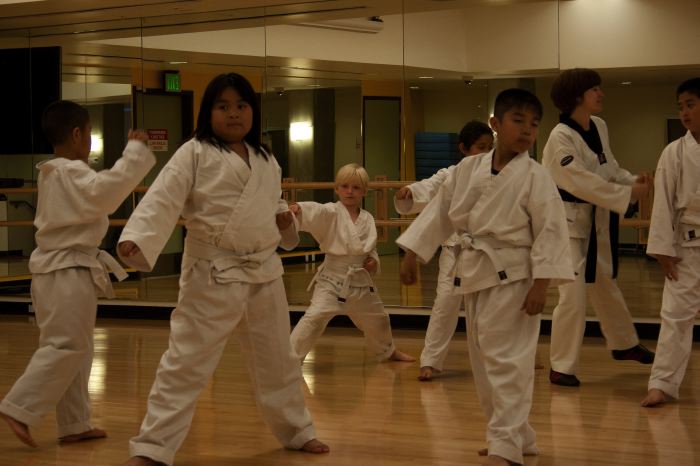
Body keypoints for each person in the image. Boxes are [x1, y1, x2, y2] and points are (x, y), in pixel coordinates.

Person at [117, 73, 329, 466]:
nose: (234, 114)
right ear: (208, 112)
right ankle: (152, 446)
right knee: (186, 361)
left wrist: (284, 220)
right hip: (212, 270)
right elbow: (164, 197)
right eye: (223, 106)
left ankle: (297, 430)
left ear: (253, 111)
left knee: (278, 359)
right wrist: (139, 236)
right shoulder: (194, 152)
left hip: (263, 271)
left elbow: (272, 202)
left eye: (241, 106)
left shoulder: (265, 158)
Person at [398, 89, 574, 466]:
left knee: (507, 361)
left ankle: (505, 445)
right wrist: (413, 253)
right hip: (475, 271)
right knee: (484, 361)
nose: (527, 131)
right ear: (495, 124)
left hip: (517, 276)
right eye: (518, 121)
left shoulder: (536, 176)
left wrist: (542, 283)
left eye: (534, 125)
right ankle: (515, 436)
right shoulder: (467, 169)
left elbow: (551, 230)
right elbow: (440, 212)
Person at [0, 100, 155, 447]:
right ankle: (19, 407)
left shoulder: (55, 173)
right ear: (76, 134)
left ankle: (74, 423)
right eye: (87, 133)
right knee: (67, 345)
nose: (88, 140)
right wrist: (133, 153)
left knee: (77, 349)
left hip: (60, 270)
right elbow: (107, 192)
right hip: (65, 270)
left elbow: (98, 193)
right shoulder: (70, 172)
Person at [541, 68, 655, 387]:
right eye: (595, 89)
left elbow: (609, 169)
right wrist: (626, 194)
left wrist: (632, 181)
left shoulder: (599, 126)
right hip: (566, 226)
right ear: (577, 96)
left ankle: (624, 343)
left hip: (595, 223)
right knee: (573, 295)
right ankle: (561, 366)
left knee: (605, 284)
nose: (601, 94)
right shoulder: (560, 138)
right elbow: (579, 181)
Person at [394, 121, 493, 380]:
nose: (486, 153)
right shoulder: (451, 174)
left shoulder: (499, 173)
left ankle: (504, 359)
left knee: (493, 309)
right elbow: (429, 188)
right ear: (464, 149)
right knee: (445, 305)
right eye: (480, 147)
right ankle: (431, 360)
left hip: (488, 252)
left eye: (489, 147)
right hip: (455, 250)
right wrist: (410, 192)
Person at [289, 163, 414, 363]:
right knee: (314, 318)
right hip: (332, 280)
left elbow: (370, 249)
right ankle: (289, 359)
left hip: (360, 281)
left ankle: (387, 351)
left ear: (364, 192)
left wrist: (373, 261)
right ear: (337, 189)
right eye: (345, 186)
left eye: (356, 187)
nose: (350, 191)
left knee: (378, 318)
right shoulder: (330, 212)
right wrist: (300, 209)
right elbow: (315, 210)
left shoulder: (367, 218)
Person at [641, 77, 700, 407]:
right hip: (686, 246)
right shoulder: (674, 152)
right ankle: (662, 384)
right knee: (675, 317)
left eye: (690, 104)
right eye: (681, 107)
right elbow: (662, 201)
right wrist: (662, 249)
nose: (684, 113)